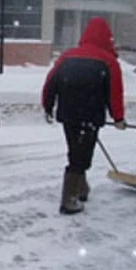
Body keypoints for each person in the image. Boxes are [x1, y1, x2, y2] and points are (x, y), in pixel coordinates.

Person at [42, 16, 126, 215]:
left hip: (68, 114)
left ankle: (80, 188)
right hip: (90, 114)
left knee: (76, 150)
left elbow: (50, 84)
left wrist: (48, 106)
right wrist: (118, 118)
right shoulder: (109, 61)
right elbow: (115, 92)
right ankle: (69, 201)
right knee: (81, 156)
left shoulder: (67, 56)